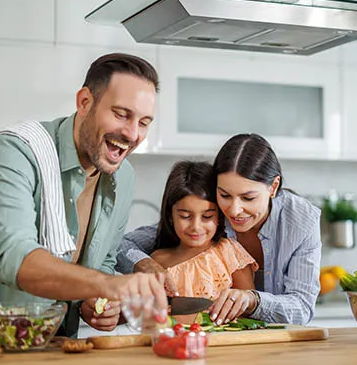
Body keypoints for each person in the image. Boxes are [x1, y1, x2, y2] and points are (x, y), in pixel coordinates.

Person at [0, 53, 168, 343]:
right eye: (121, 114)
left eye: (144, 122)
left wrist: (95, 302)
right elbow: (14, 258)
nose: (132, 133)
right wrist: (111, 285)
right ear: (84, 102)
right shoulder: (14, 152)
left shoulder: (124, 177)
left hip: (42, 346)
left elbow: (101, 261)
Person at [118, 134, 321, 326]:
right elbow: (122, 245)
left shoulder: (301, 221)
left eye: (248, 198)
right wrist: (144, 264)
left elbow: (302, 308)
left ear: (273, 187)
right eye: (224, 195)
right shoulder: (211, 212)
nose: (233, 210)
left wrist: (252, 300)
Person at [151, 161, 257, 322]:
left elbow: (249, 308)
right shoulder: (157, 262)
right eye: (185, 216)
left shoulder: (229, 252)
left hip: (226, 342)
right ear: (170, 216)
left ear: (219, 217)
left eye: (207, 217)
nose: (196, 227)